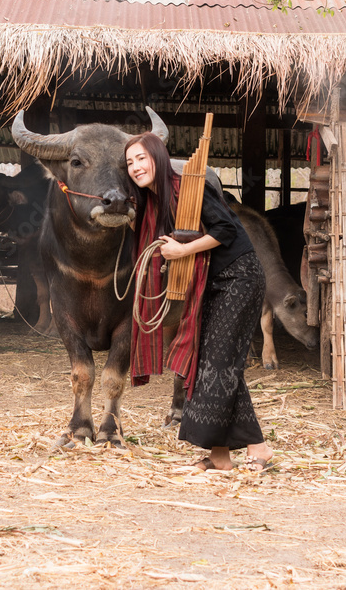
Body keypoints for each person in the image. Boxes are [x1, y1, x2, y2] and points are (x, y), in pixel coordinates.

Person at [124, 132, 273, 472]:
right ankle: (221, 456)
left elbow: (226, 230)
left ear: (158, 158)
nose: (135, 167)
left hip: (239, 277)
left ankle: (259, 449)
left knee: (220, 362)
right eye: (130, 162)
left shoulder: (189, 187)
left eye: (141, 158)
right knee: (211, 362)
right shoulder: (154, 203)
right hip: (207, 284)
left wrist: (182, 250)